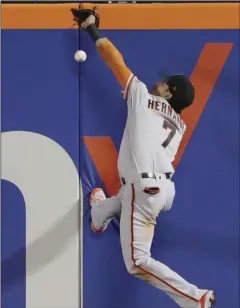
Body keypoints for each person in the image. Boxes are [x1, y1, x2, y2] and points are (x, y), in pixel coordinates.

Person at [79, 11, 216, 308]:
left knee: (137, 262)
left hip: (145, 191)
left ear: (171, 91)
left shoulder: (141, 95)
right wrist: (134, 101)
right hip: (162, 191)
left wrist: (92, 29)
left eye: (166, 84)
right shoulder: (180, 125)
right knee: (118, 199)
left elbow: (115, 60)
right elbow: (151, 122)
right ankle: (99, 215)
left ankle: (195, 298)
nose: (159, 82)